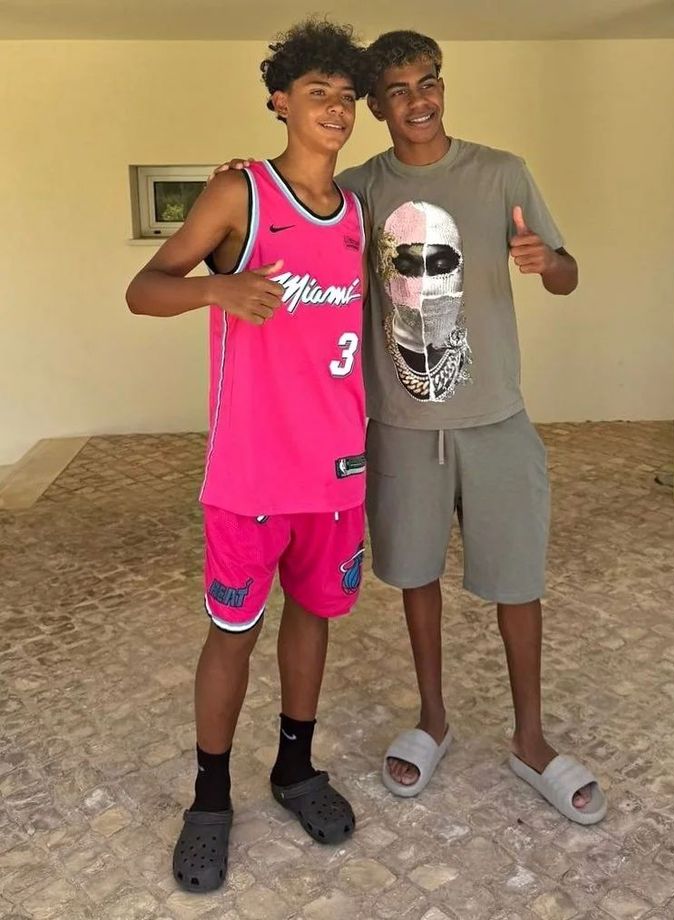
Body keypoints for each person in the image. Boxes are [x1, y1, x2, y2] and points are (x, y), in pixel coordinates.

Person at [216, 29, 607, 826]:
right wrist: (236, 180)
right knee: (416, 577)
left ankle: (530, 738)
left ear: (441, 85)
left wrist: (547, 262)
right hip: (395, 425)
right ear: (376, 105)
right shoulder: (358, 190)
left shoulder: (501, 172)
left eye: (428, 82)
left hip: (496, 419)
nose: (418, 100)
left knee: (517, 582)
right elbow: (296, 204)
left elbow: (566, 275)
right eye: (396, 90)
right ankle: (432, 719)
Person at [126, 19, 370, 893]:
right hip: (251, 473)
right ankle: (210, 797)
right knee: (234, 631)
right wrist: (217, 288)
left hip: (339, 470)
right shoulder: (242, 193)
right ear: (280, 101)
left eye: (347, 98)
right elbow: (143, 289)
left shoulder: (358, 210)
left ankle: (296, 769)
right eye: (318, 94)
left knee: (314, 617)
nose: (336, 110)